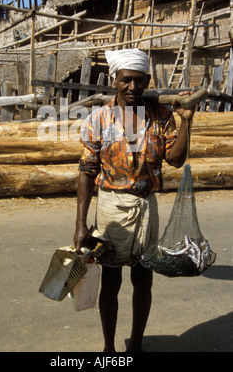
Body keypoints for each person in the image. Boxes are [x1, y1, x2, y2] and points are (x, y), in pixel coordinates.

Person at [73, 48, 195, 352]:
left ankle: (136, 346)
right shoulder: (99, 118)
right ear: (114, 80)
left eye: (139, 81)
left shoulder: (161, 116)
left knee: (143, 280)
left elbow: (176, 160)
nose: (133, 87)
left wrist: (187, 122)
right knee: (111, 282)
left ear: (147, 81)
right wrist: (79, 224)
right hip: (111, 206)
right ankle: (110, 349)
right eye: (127, 80)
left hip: (145, 206)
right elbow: (87, 172)